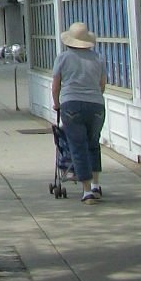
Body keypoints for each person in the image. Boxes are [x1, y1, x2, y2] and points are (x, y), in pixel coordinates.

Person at [50, 21, 108, 203]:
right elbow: (102, 85)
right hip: (96, 106)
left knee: (78, 146)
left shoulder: (63, 58)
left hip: (71, 104)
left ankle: (86, 190)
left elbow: (56, 85)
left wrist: (56, 104)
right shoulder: (98, 58)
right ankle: (96, 185)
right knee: (93, 144)